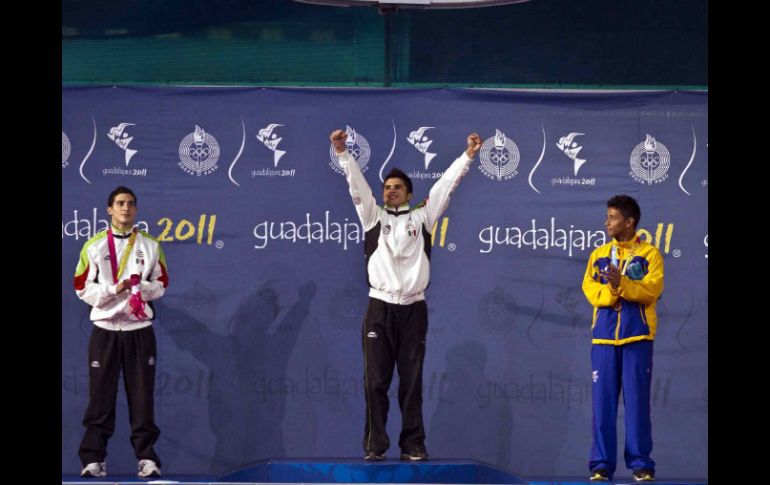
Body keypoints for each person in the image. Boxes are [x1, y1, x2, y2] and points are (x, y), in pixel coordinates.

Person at [330, 128, 482, 462]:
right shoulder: (373, 216)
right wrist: (343, 153)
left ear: (409, 193)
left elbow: (445, 186)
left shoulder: (423, 217)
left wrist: (468, 156)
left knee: (411, 383)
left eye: (397, 187)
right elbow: (356, 185)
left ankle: (413, 443)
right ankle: (375, 444)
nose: (390, 191)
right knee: (375, 382)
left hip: (413, 310)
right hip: (379, 309)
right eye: (387, 187)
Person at [73, 186, 169, 478]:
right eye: (120, 203)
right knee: (100, 397)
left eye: (130, 203)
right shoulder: (94, 246)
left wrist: (141, 287)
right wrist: (116, 288)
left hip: (139, 330)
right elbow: (81, 288)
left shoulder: (151, 245)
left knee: (142, 397)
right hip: (105, 330)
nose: (125, 208)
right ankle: (93, 460)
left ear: (136, 209)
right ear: (109, 209)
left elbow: (162, 284)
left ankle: (146, 458)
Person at [581, 195, 663, 482]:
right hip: (603, 340)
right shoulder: (599, 255)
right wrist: (614, 292)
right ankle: (601, 465)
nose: (607, 223)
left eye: (613, 217)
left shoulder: (649, 254)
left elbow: (651, 291)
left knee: (638, 404)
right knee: (602, 405)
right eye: (607, 217)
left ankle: (641, 464)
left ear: (629, 222)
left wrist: (622, 284)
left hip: (637, 338)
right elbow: (590, 291)